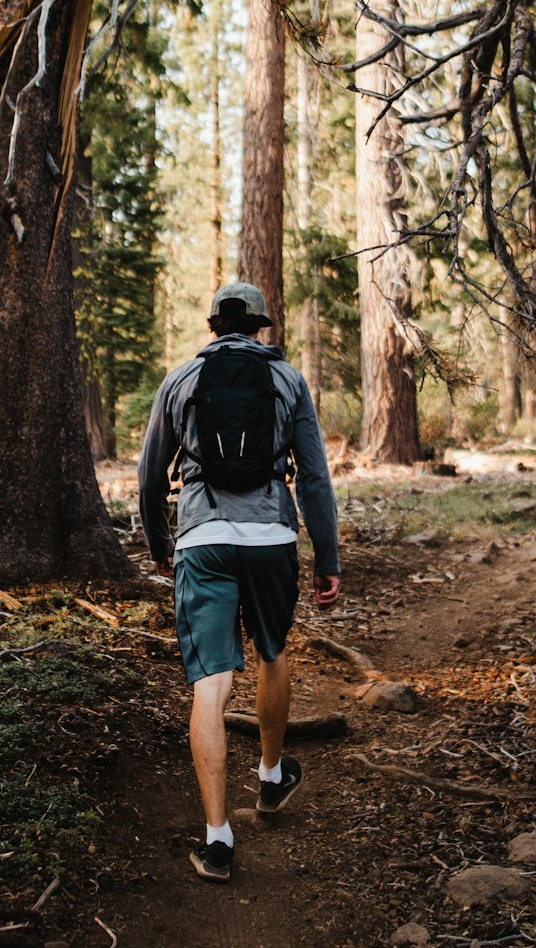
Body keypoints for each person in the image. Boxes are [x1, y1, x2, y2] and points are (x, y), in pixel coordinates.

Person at [138, 281, 341, 884]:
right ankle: (272, 778)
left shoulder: (179, 381)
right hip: (271, 540)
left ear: (213, 326)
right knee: (272, 652)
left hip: (201, 541)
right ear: (260, 328)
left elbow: (150, 480)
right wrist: (326, 556)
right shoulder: (288, 381)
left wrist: (161, 549)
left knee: (211, 683)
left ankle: (218, 839)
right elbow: (314, 478)